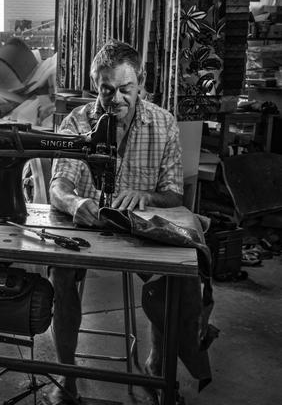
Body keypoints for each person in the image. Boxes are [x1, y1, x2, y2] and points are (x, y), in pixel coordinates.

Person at [47, 39, 184, 404]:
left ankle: (155, 369)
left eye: (126, 89)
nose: (117, 99)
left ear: (140, 82)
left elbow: (174, 194)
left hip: (140, 230)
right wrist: (75, 203)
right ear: (97, 86)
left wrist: (147, 197)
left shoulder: (164, 124)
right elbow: (58, 185)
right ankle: (67, 376)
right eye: (108, 90)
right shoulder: (77, 122)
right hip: (87, 230)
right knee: (60, 275)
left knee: (174, 281)